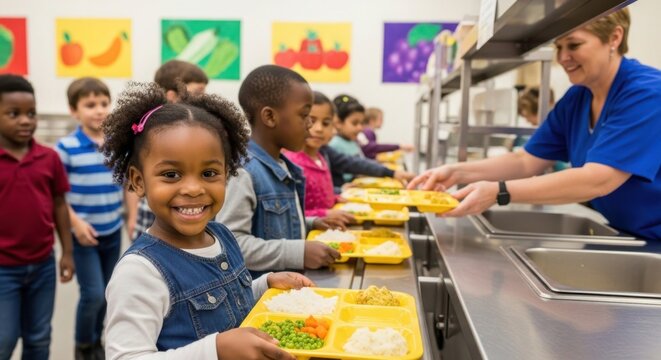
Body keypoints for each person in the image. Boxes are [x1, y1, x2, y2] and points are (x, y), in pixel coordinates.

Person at [408, 8, 661, 241]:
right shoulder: (577, 98)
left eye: (574, 45)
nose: (562, 58)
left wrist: (500, 191)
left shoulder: (646, 93)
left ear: (615, 38)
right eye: (558, 47)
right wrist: (457, 172)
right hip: (628, 233)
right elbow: (526, 161)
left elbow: (599, 180)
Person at [102, 82, 309, 360]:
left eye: (209, 173)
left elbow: (233, 299)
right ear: (138, 181)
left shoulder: (222, 235)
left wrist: (265, 284)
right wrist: (216, 349)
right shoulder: (140, 272)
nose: (193, 188)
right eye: (171, 175)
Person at [216, 65, 341, 277]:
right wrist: (298, 252)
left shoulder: (282, 165)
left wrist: (310, 223)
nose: (310, 125)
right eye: (304, 115)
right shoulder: (244, 172)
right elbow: (232, 244)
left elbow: (271, 224)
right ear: (270, 117)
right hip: (257, 300)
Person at [0, 74, 75, 360]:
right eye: (13, 114)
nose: (25, 120)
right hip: (3, 270)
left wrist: (67, 253)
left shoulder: (48, 158)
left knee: (39, 338)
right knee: (4, 340)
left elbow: (59, 205)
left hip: (42, 266)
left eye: (31, 113)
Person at [55, 77, 124, 359]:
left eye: (104, 103)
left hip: (112, 230)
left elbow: (123, 183)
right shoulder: (67, 147)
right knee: (93, 294)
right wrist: (76, 224)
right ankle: (83, 345)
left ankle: (97, 341)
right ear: (74, 110)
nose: (99, 110)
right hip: (83, 234)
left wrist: (129, 218)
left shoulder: (115, 144)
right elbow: (56, 195)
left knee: (108, 293)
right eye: (90, 105)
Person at [127, 60, 210, 240]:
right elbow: (132, 179)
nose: (203, 99)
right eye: (198, 93)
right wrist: (132, 215)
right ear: (171, 96)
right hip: (152, 216)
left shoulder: (198, 131)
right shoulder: (150, 132)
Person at [283, 91, 355, 223]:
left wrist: (335, 197)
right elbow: (291, 215)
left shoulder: (321, 157)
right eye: (311, 120)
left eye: (326, 123)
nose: (319, 129)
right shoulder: (291, 163)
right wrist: (325, 213)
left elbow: (318, 197)